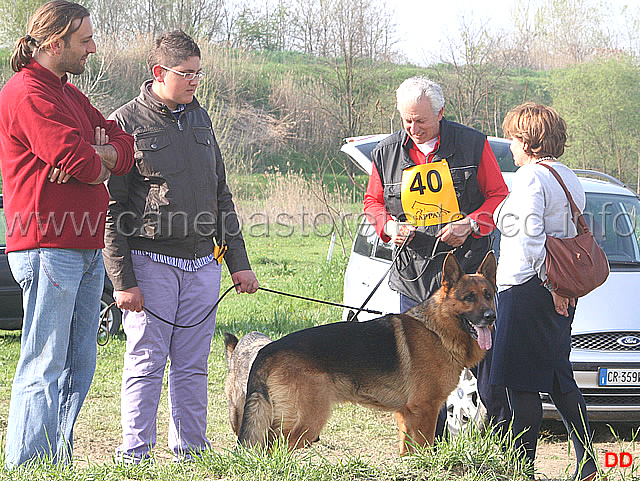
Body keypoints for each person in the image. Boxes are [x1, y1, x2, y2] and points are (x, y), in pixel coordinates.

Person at [104, 30, 259, 463]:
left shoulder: (201, 118)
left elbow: (221, 194)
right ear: (159, 72)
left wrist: (238, 264)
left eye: (198, 73)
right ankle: (135, 452)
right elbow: (111, 209)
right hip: (149, 261)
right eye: (186, 73)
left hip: (201, 265)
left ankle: (191, 450)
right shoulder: (124, 124)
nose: (194, 81)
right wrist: (123, 281)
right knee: (147, 361)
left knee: (193, 365)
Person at [0, 0, 134, 467]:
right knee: (43, 363)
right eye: (85, 40)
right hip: (46, 243)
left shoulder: (68, 93)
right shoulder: (26, 92)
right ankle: (27, 465)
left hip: (84, 242)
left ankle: (56, 460)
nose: (93, 48)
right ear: (55, 43)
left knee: (79, 364)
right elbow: (77, 158)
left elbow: (122, 142)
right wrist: (92, 160)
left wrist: (101, 157)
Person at [363, 76, 510, 438]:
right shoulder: (385, 152)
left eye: (422, 121)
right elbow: (373, 203)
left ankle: (502, 448)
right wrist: (387, 227)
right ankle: (429, 453)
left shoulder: (474, 144)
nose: (413, 128)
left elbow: (499, 195)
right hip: (413, 276)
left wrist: (472, 223)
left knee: (487, 366)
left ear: (441, 113)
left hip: (468, 279)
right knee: (422, 373)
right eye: (406, 120)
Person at [490, 103, 597, 481]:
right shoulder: (567, 175)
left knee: (520, 383)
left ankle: (522, 470)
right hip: (555, 288)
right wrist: (559, 286)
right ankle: (587, 462)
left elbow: (532, 237)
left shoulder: (531, 178)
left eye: (513, 138)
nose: (510, 146)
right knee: (556, 374)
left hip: (528, 288)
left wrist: (552, 285)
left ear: (527, 141)